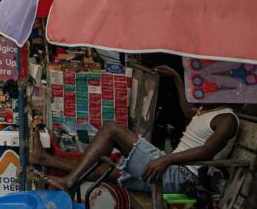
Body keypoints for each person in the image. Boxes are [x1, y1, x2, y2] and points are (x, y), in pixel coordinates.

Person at [32, 65, 239, 196]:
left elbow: (207, 152)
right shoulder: (209, 111)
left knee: (112, 130)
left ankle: (69, 182)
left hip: (183, 177)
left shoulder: (227, 119)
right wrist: (176, 77)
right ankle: (47, 161)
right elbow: (187, 111)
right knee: (108, 171)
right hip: (173, 170)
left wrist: (165, 160)